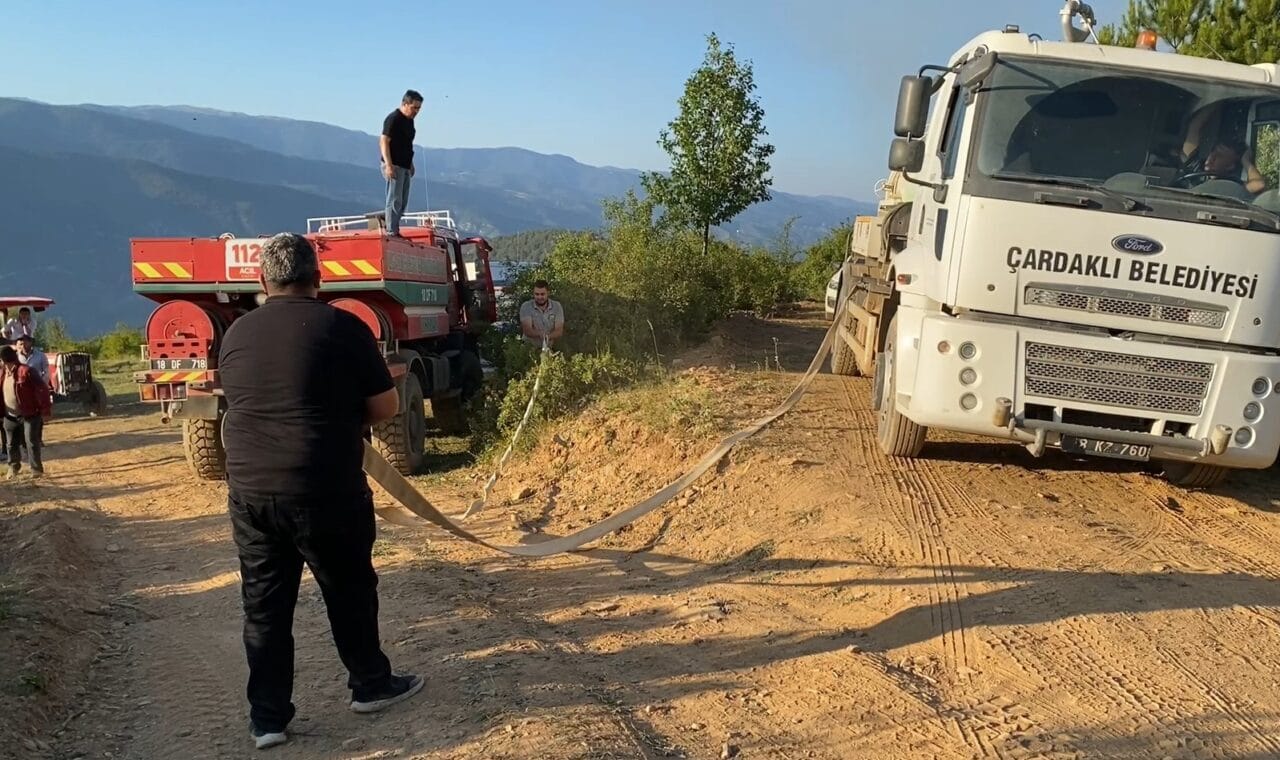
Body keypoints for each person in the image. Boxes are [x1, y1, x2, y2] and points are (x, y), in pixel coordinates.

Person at [217, 233, 423, 751]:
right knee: (349, 588)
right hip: (325, 486)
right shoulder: (343, 327)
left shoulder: (237, 332)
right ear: (320, 278)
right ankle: (371, 685)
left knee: (264, 605)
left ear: (262, 281)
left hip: (252, 491)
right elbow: (385, 408)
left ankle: (267, 719)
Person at [0, 344, 50, 479]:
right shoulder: (3, 373)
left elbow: (42, 390)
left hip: (29, 414)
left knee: (31, 442)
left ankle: (36, 470)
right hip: (9, 416)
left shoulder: (26, 371)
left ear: (4, 360)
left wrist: (45, 411)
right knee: (11, 444)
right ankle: (13, 468)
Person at [380, 89, 423, 237]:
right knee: (394, 199)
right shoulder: (394, 119)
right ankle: (391, 230)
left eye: (418, 108)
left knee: (403, 201)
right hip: (394, 165)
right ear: (405, 104)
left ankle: (394, 226)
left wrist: (410, 163)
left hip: (405, 165)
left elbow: (407, 144)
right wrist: (388, 164)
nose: (416, 111)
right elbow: (384, 141)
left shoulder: (410, 122)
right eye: (414, 108)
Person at [518, 279, 565, 348]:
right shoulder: (526, 306)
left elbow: (559, 330)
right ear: (533, 294)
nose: (539, 297)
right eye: (537, 294)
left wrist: (548, 337)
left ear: (548, 293)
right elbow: (527, 330)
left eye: (542, 294)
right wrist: (541, 335)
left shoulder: (557, 306)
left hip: (550, 349)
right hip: (529, 349)